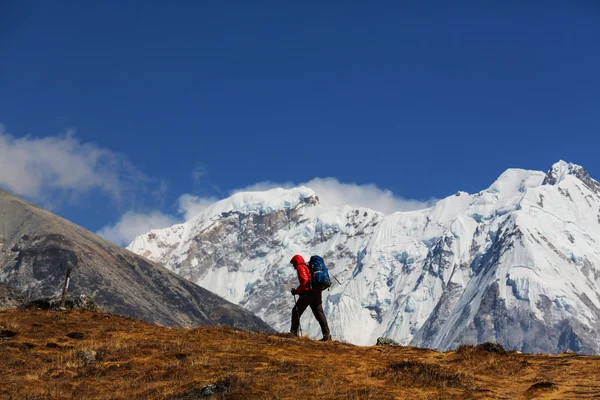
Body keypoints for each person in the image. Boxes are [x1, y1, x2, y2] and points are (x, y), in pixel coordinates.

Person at [289, 254, 332, 341]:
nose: (293, 266)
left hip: (309, 292)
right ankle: (327, 335)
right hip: (317, 291)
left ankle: (293, 334)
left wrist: (297, 291)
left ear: (296, 262)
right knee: (319, 314)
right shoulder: (308, 266)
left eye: (293, 264)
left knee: (296, 311)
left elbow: (305, 280)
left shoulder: (300, 267)